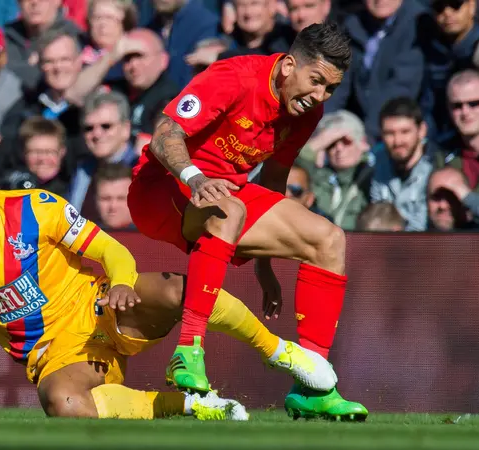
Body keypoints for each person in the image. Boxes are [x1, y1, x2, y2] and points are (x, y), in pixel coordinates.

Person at [0, 146, 336, 420]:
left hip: (103, 304)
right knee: (63, 405)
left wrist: (121, 280)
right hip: (56, 353)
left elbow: (109, 249)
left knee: (184, 289)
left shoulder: (35, 207)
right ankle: (189, 407)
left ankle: (281, 353)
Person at [127, 20, 368, 420]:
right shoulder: (234, 77)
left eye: (331, 89)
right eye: (317, 81)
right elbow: (165, 132)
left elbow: (273, 182)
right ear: (289, 65)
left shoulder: (306, 109)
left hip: (224, 199)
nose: (321, 95)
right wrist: (196, 178)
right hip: (161, 188)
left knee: (329, 239)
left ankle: (314, 385)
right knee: (230, 206)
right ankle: (188, 352)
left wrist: (264, 261)